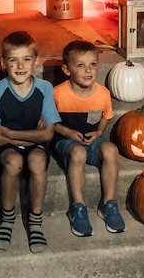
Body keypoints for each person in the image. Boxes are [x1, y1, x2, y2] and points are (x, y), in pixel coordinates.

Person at [0, 31, 61, 253]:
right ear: (3, 63)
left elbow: (47, 135)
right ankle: (7, 219)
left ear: (36, 62)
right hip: (6, 148)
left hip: (29, 143)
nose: (20, 66)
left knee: (36, 161)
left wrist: (13, 134)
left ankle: (35, 221)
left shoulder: (44, 89)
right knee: (13, 162)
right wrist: (22, 136)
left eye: (26, 59)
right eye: (13, 60)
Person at [51, 40, 125, 237]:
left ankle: (107, 204)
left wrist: (100, 133)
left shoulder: (102, 94)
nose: (88, 70)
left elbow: (106, 117)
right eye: (80, 65)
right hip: (65, 141)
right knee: (78, 152)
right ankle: (78, 206)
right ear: (67, 70)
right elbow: (48, 123)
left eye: (93, 64)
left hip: (92, 139)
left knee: (111, 150)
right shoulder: (58, 93)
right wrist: (67, 132)